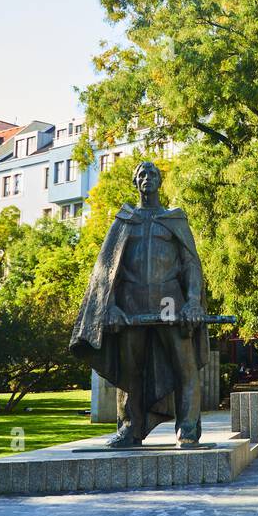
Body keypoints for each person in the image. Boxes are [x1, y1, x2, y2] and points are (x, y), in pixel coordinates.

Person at [69, 161, 210, 447]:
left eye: (152, 174)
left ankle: (188, 429)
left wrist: (193, 301)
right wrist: (108, 306)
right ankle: (129, 428)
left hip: (172, 302)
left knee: (185, 366)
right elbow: (107, 271)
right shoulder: (124, 221)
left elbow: (191, 265)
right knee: (129, 369)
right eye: (141, 175)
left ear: (160, 181)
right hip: (130, 304)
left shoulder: (174, 219)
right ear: (136, 182)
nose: (147, 178)